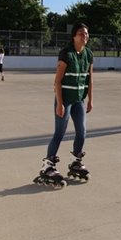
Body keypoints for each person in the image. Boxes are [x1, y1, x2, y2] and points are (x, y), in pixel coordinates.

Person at [34, 23, 94, 188]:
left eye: (86, 34)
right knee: (59, 133)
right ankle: (48, 166)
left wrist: (90, 99)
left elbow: (89, 79)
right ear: (74, 36)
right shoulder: (66, 53)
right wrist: (59, 104)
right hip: (65, 100)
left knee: (82, 132)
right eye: (81, 33)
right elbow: (57, 81)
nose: (85, 36)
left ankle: (76, 161)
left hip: (79, 100)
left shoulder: (88, 54)